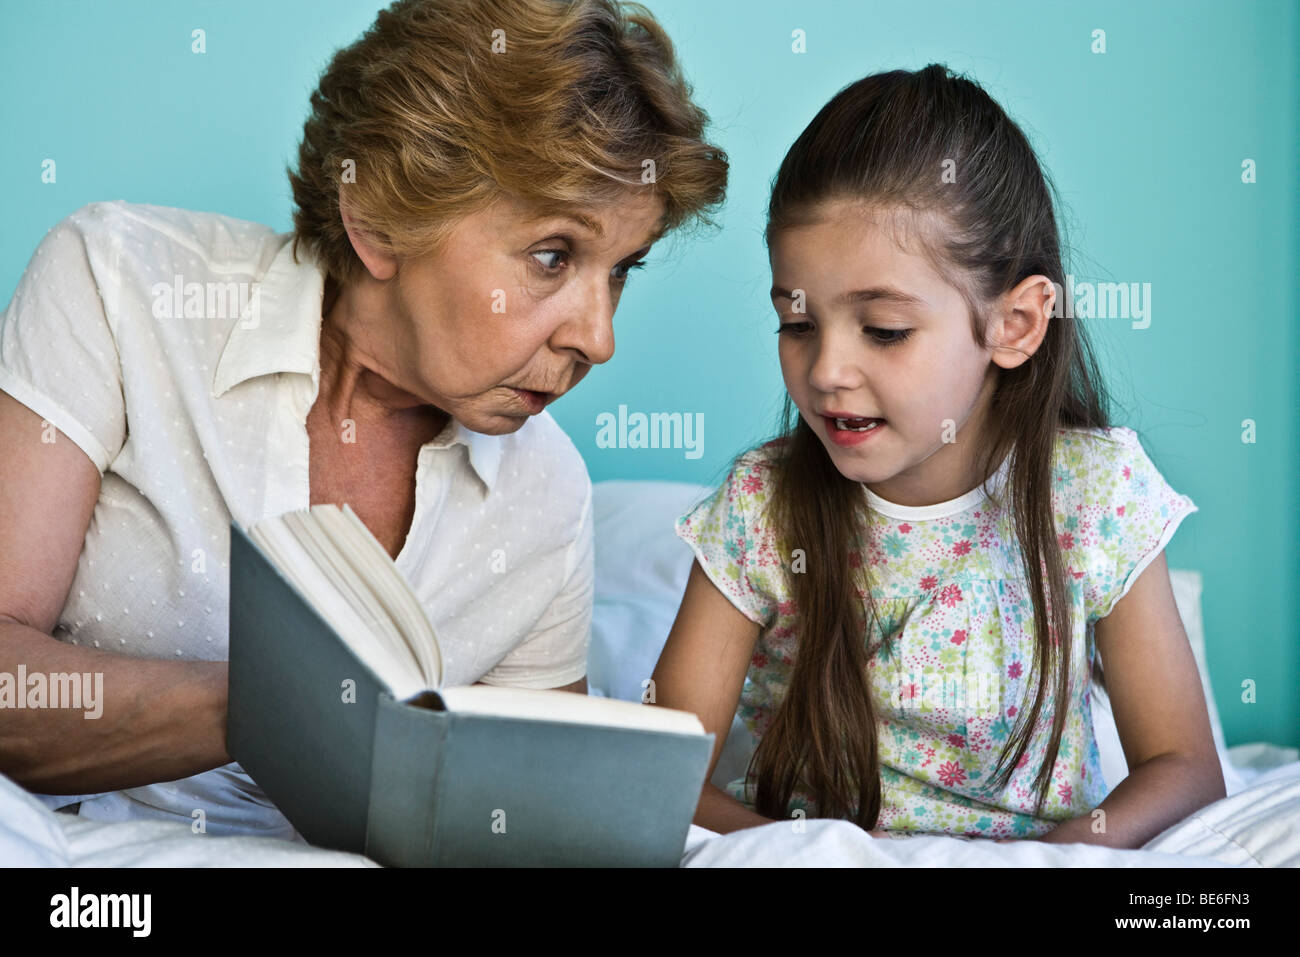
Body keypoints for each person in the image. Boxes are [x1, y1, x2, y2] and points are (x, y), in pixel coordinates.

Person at [0, 0, 726, 839]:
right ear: (378, 216)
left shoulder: (547, 496)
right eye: (553, 256)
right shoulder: (120, 284)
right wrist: (282, 706)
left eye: (622, 271)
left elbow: (534, 816)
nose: (598, 338)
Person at [655, 64, 1224, 847]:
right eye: (797, 323)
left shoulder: (1096, 494)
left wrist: (1051, 861)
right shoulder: (761, 506)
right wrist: (796, 853)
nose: (825, 372)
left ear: (1016, 325)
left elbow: (1185, 767)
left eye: (883, 329)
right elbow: (657, 781)